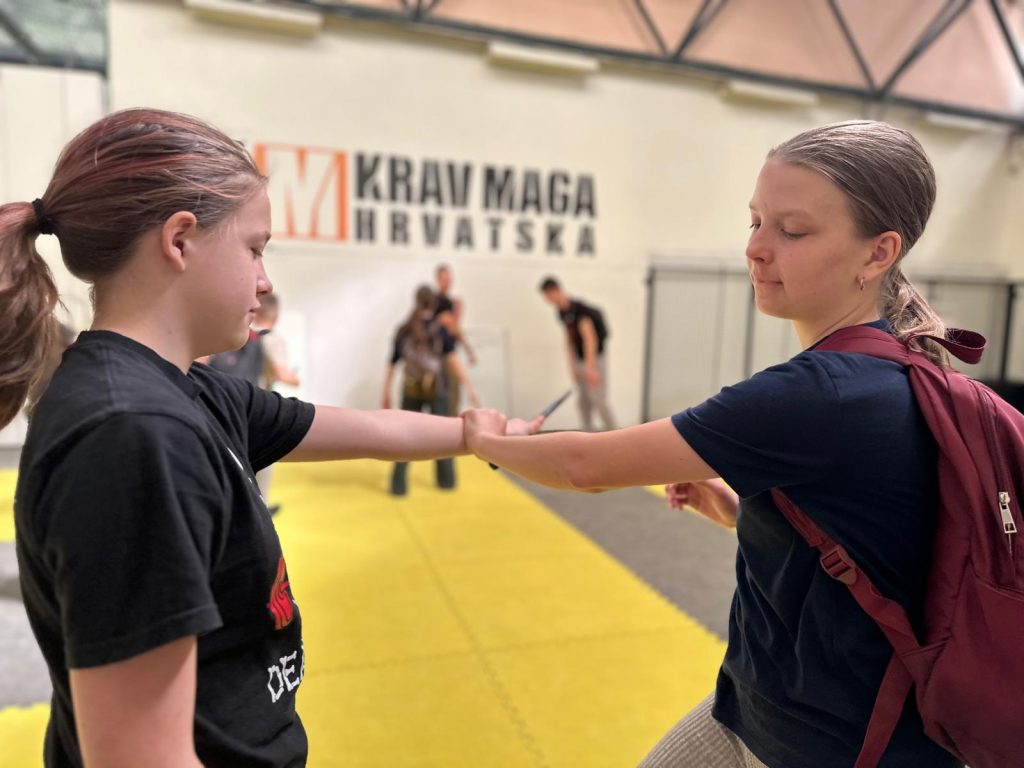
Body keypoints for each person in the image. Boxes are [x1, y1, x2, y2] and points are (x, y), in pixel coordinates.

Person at [0, 107, 539, 768]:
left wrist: (477, 432)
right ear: (180, 240)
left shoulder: (190, 389)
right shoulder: (132, 435)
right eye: (255, 249)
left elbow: (371, 428)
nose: (265, 280)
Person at [465, 121, 963, 768]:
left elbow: (583, 465)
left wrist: (487, 439)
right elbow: (872, 550)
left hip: (828, 745)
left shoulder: (822, 393)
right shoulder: (892, 368)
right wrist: (737, 511)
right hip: (754, 706)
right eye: (754, 221)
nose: (755, 248)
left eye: (792, 230)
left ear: (878, 254)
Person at [382, 284, 479, 495]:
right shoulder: (437, 330)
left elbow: (392, 363)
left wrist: (386, 392)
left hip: (412, 388)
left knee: (404, 437)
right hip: (435, 389)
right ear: (433, 304)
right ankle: (446, 482)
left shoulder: (405, 329)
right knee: (444, 437)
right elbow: (453, 360)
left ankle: (398, 486)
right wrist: (470, 388)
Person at [209, 291, 301, 513]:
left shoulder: (233, 334)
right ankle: (259, 508)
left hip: (221, 402)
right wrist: (296, 379)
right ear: (275, 315)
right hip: (255, 407)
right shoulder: (271, 339)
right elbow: (282, 374)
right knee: (261, 460)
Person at [539, 277, 616, 431]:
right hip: (579, 359)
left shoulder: (580, 310)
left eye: (547, 295)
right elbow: (569, 340)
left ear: (555, 290)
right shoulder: (561, 312)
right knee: (583, 400)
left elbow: (590, 339)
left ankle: (614, 433)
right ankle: (587, 433)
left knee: (598, 399)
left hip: (595, 358)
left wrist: (591, 368)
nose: (547, 299)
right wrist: (572, 366)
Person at [433, 263, 476, 415]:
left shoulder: (450, 303)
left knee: (453, 393)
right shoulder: (435, 302)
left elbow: (455, 330)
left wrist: (468, 350)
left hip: (449, 352)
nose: (447, 282)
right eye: (444, 279)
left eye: (449, 279)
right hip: (440, 356)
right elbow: (452, 327)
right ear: (438, 279)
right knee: (445, 395)